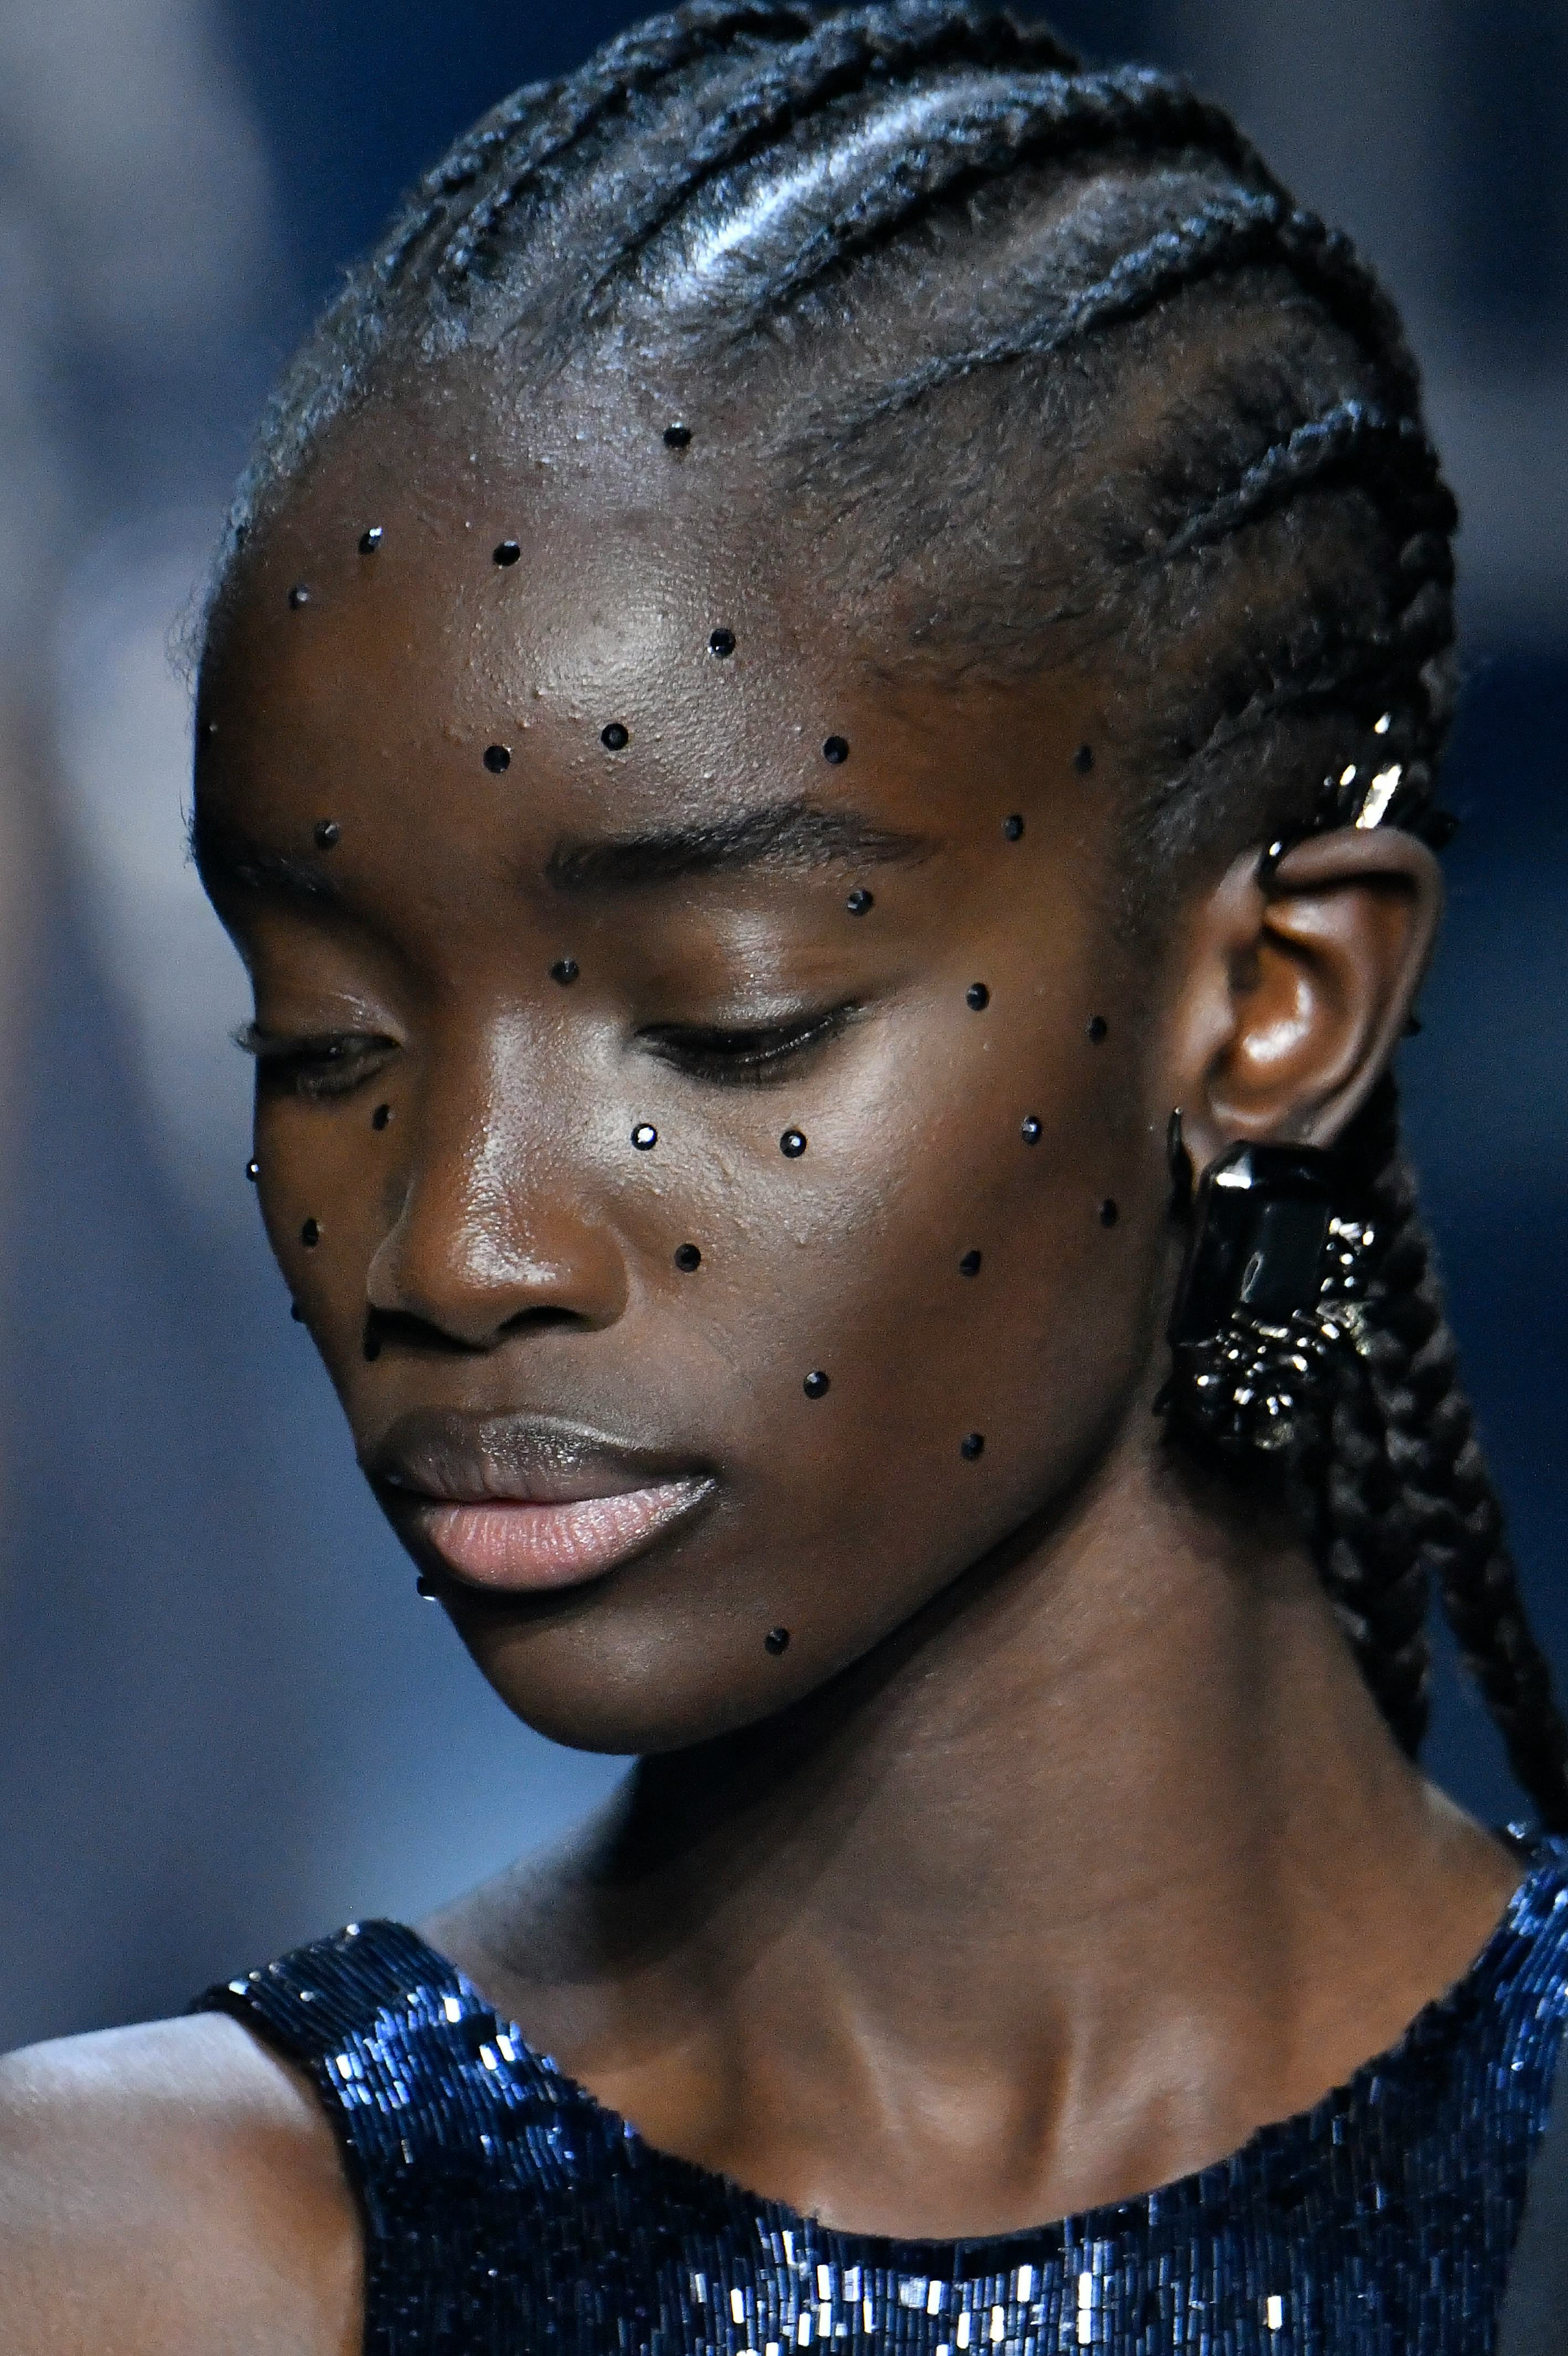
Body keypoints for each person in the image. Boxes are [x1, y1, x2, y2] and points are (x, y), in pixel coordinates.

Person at [4, 5, 1567, 2348]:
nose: (459, 1245)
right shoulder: (112, 2256)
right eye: (328, 1045)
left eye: (727, 1027)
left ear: (1268, 1003)